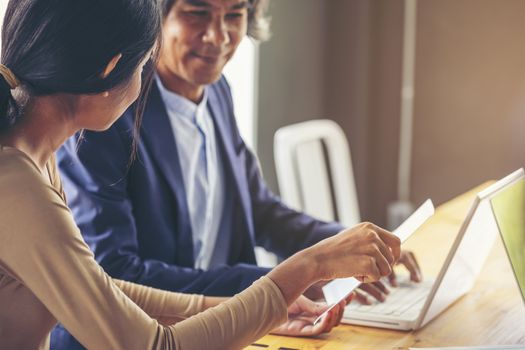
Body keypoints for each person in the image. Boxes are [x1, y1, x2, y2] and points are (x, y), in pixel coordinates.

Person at [0, 0, 402, 349]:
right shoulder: (18, 184)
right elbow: (156, 344)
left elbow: (97, 290)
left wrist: (261, 307)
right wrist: (304, 270)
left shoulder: (33, 155)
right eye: (144, 65)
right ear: (112, 68)